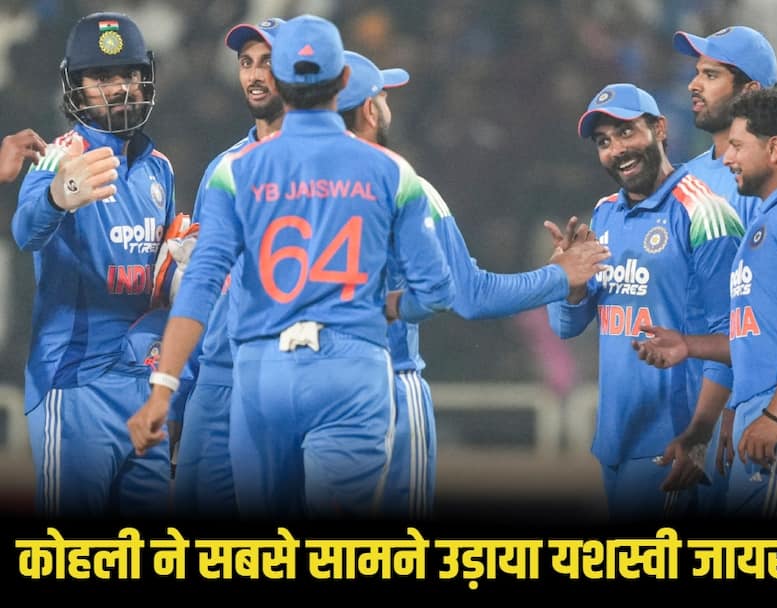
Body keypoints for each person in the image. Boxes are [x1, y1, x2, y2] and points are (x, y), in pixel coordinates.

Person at [128, 15, 454, 519]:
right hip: (349, 370)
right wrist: (385, 306)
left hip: (262, 372)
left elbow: (200, 284)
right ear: (343, 80)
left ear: (282, 77)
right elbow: (438, 291)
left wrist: (165, 386)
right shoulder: (392, 172)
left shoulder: (236, 173)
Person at [336, 51, 609, 519]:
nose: (388, 106)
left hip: (293, 381)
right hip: (385, 383)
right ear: (370, 111)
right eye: (384, 96)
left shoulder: (276, 183)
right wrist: (561, 275)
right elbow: (470, 295)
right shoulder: (404, 185)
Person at [638, 87, 777, 520]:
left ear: (773, 148)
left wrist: (776, 414)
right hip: (768, 404)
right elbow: (759, 336)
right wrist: (691, 348)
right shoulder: (766, 221)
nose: (727, 159)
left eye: (737, 146)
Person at [547, 83, 741, 522]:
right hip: (617, 438)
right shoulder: (604, 214)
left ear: (660, 129)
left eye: (626, 132)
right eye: (604, 141)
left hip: (672, 439)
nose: (616, 149)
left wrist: (700, 434)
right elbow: (566, 327)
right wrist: (569, 285)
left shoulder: (703, 213)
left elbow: (733, 336)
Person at [13, 12, 175, 516]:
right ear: (76, 88)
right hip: (75, 386)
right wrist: (57, 197)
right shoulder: (55, 157)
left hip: (144, 389)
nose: (120, 88)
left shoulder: (160, 169)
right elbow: (24, 232)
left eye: (129, 74)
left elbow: (161, 277)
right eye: (102, 77)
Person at [170, 17, 286, 518]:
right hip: (216, 382)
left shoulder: (325, 168)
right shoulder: (223, 168)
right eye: (246, 63)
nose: (255, 75)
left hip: (280, 378)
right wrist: (180, 391)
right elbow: (203, 284)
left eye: (268, 63)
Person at [661, 25, 777, 515]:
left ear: (750, 92)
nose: (694, 84)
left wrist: (734, 404)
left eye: (711, 75)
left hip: (732, 407)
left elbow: (756, 304)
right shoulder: (682, 178)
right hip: (679, 404)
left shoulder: (763, 182)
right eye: (696, 73)